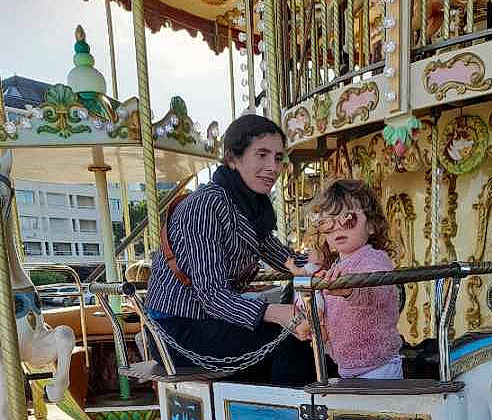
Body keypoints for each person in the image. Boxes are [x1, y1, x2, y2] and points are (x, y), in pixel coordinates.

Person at [145, 114, 315, 386]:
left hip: (210, 321)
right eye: (262, 155)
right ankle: (286, 411)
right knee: (289, 344)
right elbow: (213, 296)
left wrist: (330, 257)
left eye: (278, 158)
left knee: (304, 340)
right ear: (232, 159)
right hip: (176, 328)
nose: (273, 167)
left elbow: (287, 260)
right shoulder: (205, 206)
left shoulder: (249, 208)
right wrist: (277, 312)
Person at [306, 179, 403, 379]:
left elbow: (378, 291)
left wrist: (351, 290)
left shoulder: (374, 259)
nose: (338, 228)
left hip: (379, 367)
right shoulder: (336, 267)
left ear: (372, 225)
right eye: (327, 223)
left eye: (347, 219)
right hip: (348, 367)